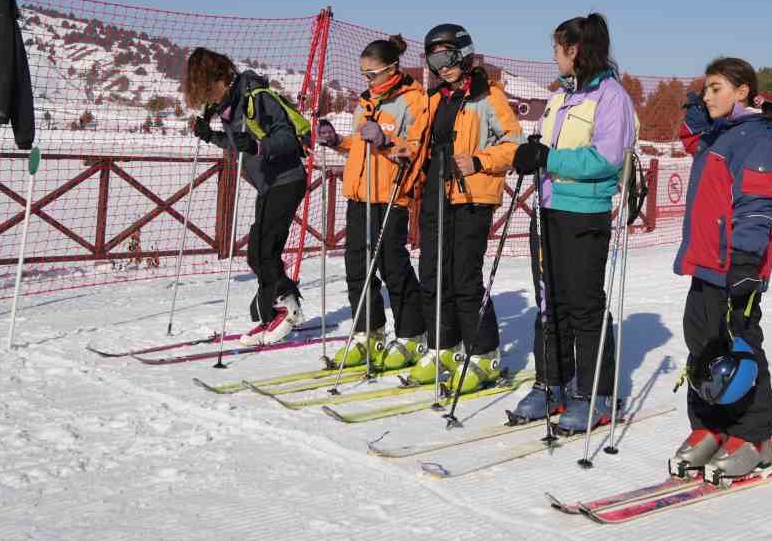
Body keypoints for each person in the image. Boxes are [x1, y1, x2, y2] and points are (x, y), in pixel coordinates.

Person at [510, 14, 637, 432]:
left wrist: (550, 158)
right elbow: (551, 147)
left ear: (576, 49)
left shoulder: (610, 96)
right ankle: (552, 383)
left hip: (583, 212)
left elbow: (606, 158)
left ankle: (595, 392)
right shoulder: (561, 97)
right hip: (548, 209)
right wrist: (535, 152)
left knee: (583, 305)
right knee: (551, 302)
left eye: (558, 48)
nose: (553, 56)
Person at [669, 57, 772, 481]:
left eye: (716, 88)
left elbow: (757, 205)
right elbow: (689, 138)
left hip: (735, 264)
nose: (707, 95)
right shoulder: (720, 135)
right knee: (702, 347)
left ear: (742, 92)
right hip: (705, 261)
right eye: (705, 88)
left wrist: (745, 260)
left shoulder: (757, 138)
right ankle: (710, 427)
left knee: (739, 348)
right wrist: (697, 112)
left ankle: (755, 435)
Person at [404, 24, 522, 394]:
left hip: (472, 197)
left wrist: (479, 160)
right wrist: (406, 151)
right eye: (434, 59)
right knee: (433, 274)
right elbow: (421, 140)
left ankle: (484, 354)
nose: (442, 67)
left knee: (464, 278)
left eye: (448, 57)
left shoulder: (489, 97)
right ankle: (445, 348)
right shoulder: (437, 97)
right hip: (436, 194)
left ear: (465, 55)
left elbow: (514, 143)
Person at [315, 35, 430, 370]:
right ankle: (369, 331)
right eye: (363, 75)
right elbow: (361, 145)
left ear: (392, 68)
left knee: (392, 265)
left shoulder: (414, 101)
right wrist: (337, 140)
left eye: (372, 74)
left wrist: (386, 140)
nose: (367, 81)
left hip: (391, 194)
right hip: (360, 194)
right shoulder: (366, 101)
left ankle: (412, 334)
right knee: (357, 267)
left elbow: (414, 149)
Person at [184, 47, 310, 346]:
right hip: (268, 185)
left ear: (223, 78)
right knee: (258, 251)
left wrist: (257, 146)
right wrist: (210, 135)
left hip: (287, 179)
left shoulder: (257, 97)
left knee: (263, 251)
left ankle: (286, 309)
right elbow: (239, 144)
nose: (208, 98)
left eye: (208, 90)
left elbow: (286, 139)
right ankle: (278, 310)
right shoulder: (230, 106)